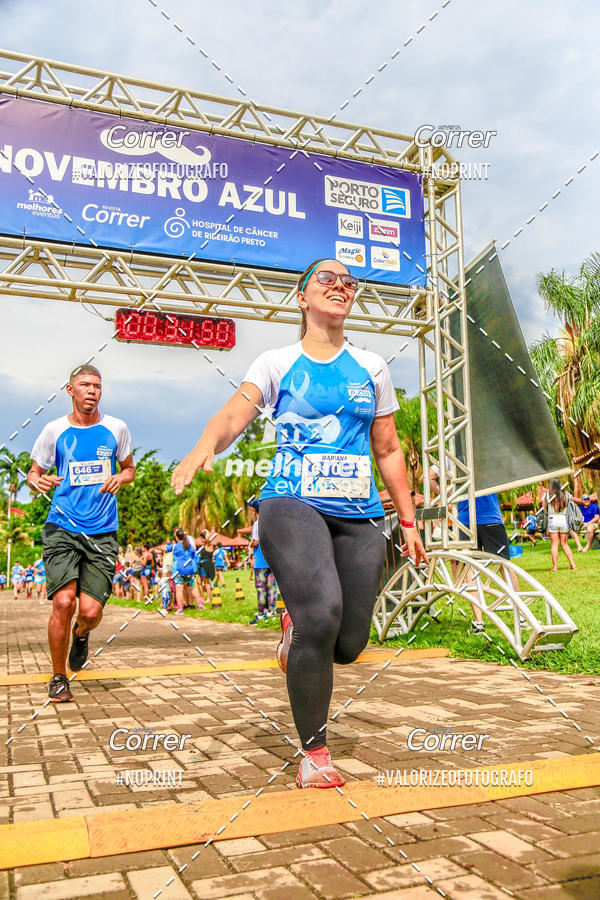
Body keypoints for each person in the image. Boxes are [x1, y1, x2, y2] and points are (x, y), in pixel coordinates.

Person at [172, 257, 428, 789]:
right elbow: (232, 417)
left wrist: (407, 520)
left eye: (348, 283)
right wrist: (203, 446)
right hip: (291, 503)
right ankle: (314, 751)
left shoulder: (372, 367)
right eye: (327, 280)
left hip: (359, 512)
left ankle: (295, 632)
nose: (340, 287)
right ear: (302, 297)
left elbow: (388, 448)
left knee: (349, 643)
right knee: (322, 615)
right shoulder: (276, 362)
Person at [27, 364, 135, 703]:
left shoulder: (116, 428)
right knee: (63, 601)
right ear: (70, 390)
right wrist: (36, 481)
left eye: (98, 385)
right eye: (85, 384)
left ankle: (82, 634)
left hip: (102, 531)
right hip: (62, 525)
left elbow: (129, 468)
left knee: (89, 612)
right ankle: (59, 676)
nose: (92, 390)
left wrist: (122, 477)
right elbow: (34, 472)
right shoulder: (53, 430)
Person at [248, 500, 277, 623]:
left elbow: (255, 542)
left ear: (255, 511)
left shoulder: (257, 524)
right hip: (272, 560)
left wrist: (249, 545)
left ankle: (261, 614)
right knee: (271, 588)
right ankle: (271, 612)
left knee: (261, 588)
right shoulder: (273, 523)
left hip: (260, 561)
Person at [166, 527, 203, 614]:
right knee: (193, 588)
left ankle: (180, 609)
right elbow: (194, 555)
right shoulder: (189, 545)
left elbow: (165, 548)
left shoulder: (175, 546)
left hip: (179, 570)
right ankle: (200, 605)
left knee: (179, 590)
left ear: (176, 537)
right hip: (189, 570)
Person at [543, 479, 577, 571]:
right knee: (564, 544)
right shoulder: (566, 494)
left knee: (554, 544)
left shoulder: (547, 495)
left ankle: (555, 567)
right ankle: (573, 564)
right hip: (563, 519)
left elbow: (544, 509)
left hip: (552, 519)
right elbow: (573, 501)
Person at [196, 530, 214, 607]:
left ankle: (208, 598)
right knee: (199, 581)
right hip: (201, 565)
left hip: (207, 565)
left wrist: (206, 531)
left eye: (202, 539)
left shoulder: (209, 545)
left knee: (206, 582)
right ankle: (201, 597)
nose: (201, 540)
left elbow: (208, 538)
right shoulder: (203, 546)